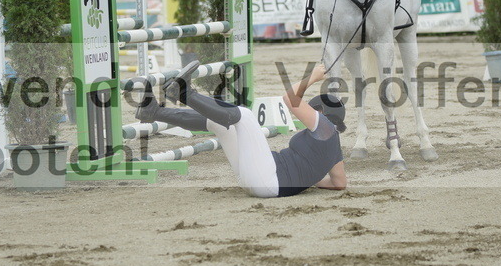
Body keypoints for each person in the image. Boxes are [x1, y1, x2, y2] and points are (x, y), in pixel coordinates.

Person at [136, 61, 347, 197]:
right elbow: (339, 183)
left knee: (245, 116)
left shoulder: (324, 125)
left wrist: (313, 77)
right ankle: (153, 112)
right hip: (259, 180)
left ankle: (185, 94)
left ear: (320, 111)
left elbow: (290, 99)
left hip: (268, 180)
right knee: (220, 125)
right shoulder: (334, 149)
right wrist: (310, 177)